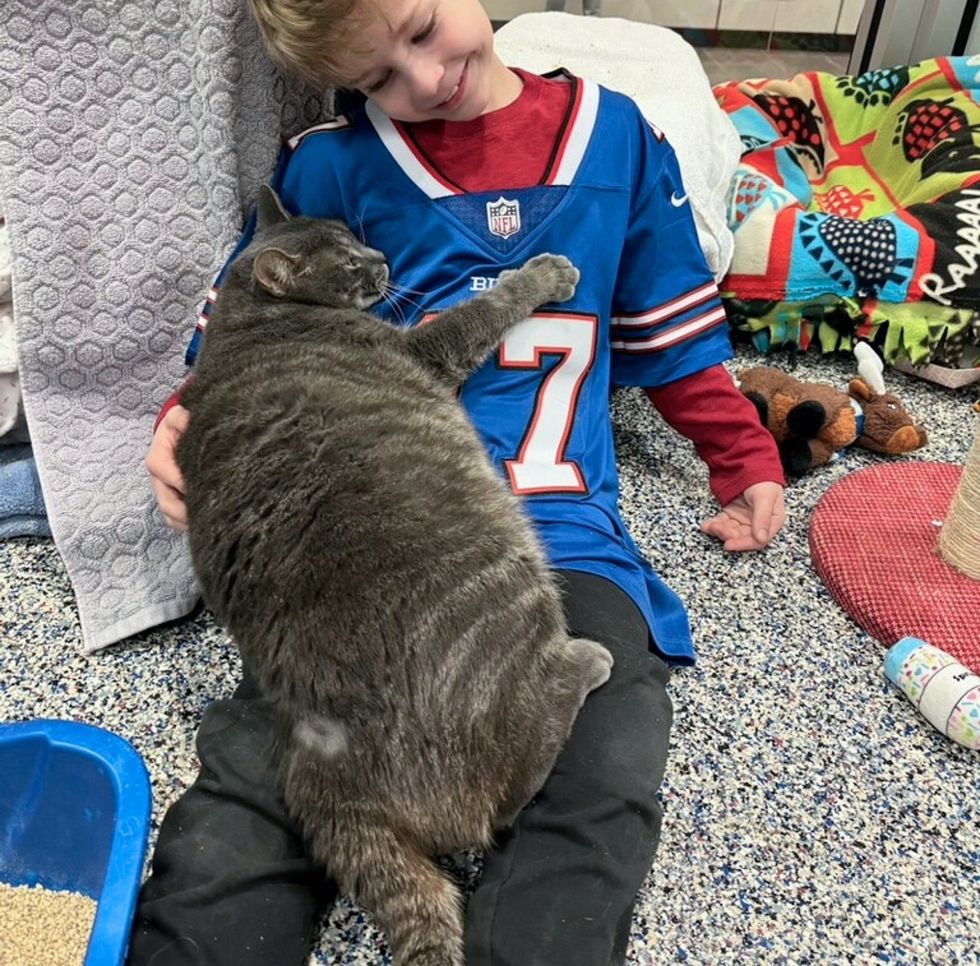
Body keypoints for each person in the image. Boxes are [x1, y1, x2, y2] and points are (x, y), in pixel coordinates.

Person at [131, 1, 786, 963]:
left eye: (427, 27)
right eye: (379, 78)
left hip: (556, 533)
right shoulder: (326, 166)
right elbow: (243, 341)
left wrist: (742, 454)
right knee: (263, 771)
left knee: (603, 759)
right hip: (355, 535)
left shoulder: (621, 137)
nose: (426, 77)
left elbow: (674, 339)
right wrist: (178, 423)